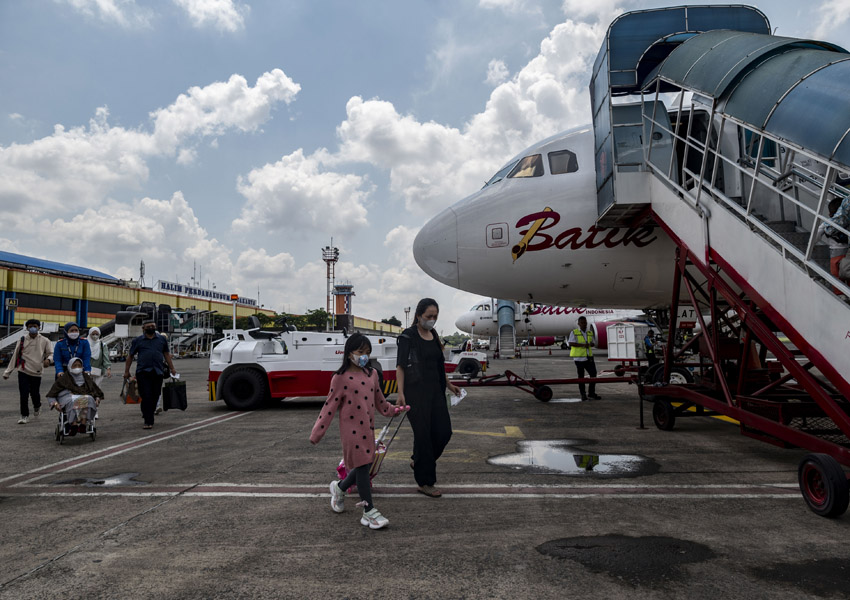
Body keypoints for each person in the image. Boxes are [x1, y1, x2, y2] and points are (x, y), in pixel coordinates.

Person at [310, 333, 406, 529]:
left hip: (367, 429)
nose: (364, 356)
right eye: (360, 352)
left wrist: (393, 411)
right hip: (351, 431)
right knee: (362, 465)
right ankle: (368, 511)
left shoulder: (371, 375)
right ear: (349, 353)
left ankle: (340, 488)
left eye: (367, 353)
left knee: (364, 465)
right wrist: (317, 432)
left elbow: (380, 401)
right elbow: (329, 407)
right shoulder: (340, 378)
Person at [395, 298, 461, 498]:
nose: (432, 320)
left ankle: (419, 460)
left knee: (443, 433)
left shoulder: (432, 334)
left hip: (436, 392)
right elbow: (400, 365)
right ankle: (425, 482)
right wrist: (400, 393)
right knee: (423, 437)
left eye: (435, 317)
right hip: (415, 394)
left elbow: (439, 364)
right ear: (418, 316)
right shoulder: (408, 336)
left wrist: (449, 384)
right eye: (428, 316)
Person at [123, 319, 177, 430]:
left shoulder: (161, 339)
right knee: (146, 395)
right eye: (148, 326)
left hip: (158, 371)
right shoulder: (138, 340)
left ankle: (147, 412)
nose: (151, 328)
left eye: (153, 326)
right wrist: (126, 371)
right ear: (143, 329)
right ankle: (148, 420)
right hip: (143, 372)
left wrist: (172, 368)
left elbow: (166, 354)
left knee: (155, 395)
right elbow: (131, 356)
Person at [3, 318, 53, 424]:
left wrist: (48, 360)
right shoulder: (22, 340)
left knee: (35, 393)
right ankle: (24, 415)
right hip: (23, 370)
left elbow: (51, 353)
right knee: (24, 394)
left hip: (37, 371)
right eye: (30, 326)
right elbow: (15, 356)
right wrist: (7, 372)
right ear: (27, 328)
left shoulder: (45, 340)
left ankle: (37, 405)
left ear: (39, 327)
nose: (33, 328)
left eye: (35, 326)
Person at [46, 357, 103, 434]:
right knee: (71, 401)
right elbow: (51, 394)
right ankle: (74, 424)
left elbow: (95, 390)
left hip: (83, 396)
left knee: (89, 399)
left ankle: (83, 423)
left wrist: (97, 398)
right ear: (70, 366)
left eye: (79, 365)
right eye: (75, 365)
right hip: (68, 397)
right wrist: (55, 403)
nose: (77, 367)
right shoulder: (63, 379)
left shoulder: (86, 378)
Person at [818, 197, 849, 293]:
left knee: (836, 277)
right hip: (847, 254)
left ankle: (840, 294)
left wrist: (811, 246)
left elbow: (816, 236)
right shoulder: (847, 223)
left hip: (835, 255)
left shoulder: (827, 224)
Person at [569, 316, 600, 401]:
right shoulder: (574, 332)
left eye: (585, 323)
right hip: (579, 358)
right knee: (581, 377)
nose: (584, 324)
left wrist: (591, 344)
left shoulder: (589, 332)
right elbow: (571, 343)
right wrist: (583, 345)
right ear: (578, 324)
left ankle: (591, 393)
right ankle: (583, 394)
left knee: (593, 374)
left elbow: (592, 343)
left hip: (589, 357)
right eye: (582, 323)